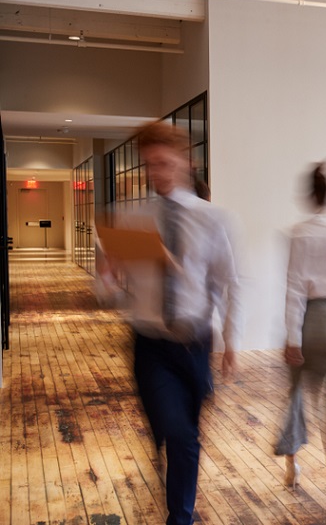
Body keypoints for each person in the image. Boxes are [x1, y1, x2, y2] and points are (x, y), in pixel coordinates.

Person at [97, 121, 242, 525]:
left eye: (162, 163)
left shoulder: (213, 219)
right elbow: (106, 291)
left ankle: (178, 496)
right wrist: (106, 273)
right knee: (177, 434)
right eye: (149, 165)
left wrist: (231, 342)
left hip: (195, 344)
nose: (155, 173)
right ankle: (180, 518)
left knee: (184, 438)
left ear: (184, 161)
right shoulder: (132, 219)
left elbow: (228, 283)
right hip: (150, 344)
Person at [275, 163, 326, 516]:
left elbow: (295, 287)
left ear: (310, 195)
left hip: (310, 319)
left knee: (296, 393)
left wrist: (292, 337)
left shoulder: (299, 233)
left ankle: (292, 465)